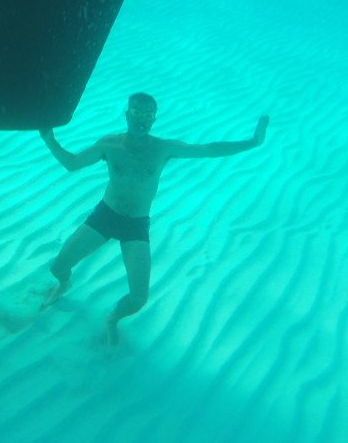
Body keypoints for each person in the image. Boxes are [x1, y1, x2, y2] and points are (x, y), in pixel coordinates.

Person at [39, 93, 269, 344]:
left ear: (154, 119)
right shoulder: (109, 145)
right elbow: (72, 163)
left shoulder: (163, 148)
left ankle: (112, 318)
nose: (142, 120)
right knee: (57, 268)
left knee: (138, 298)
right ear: (127, 114)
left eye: (148, 115)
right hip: (105, 215)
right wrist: (50, 139)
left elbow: (208, 150)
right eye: (137, 113)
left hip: (135, 226)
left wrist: (252, 142)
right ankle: (64, 285)